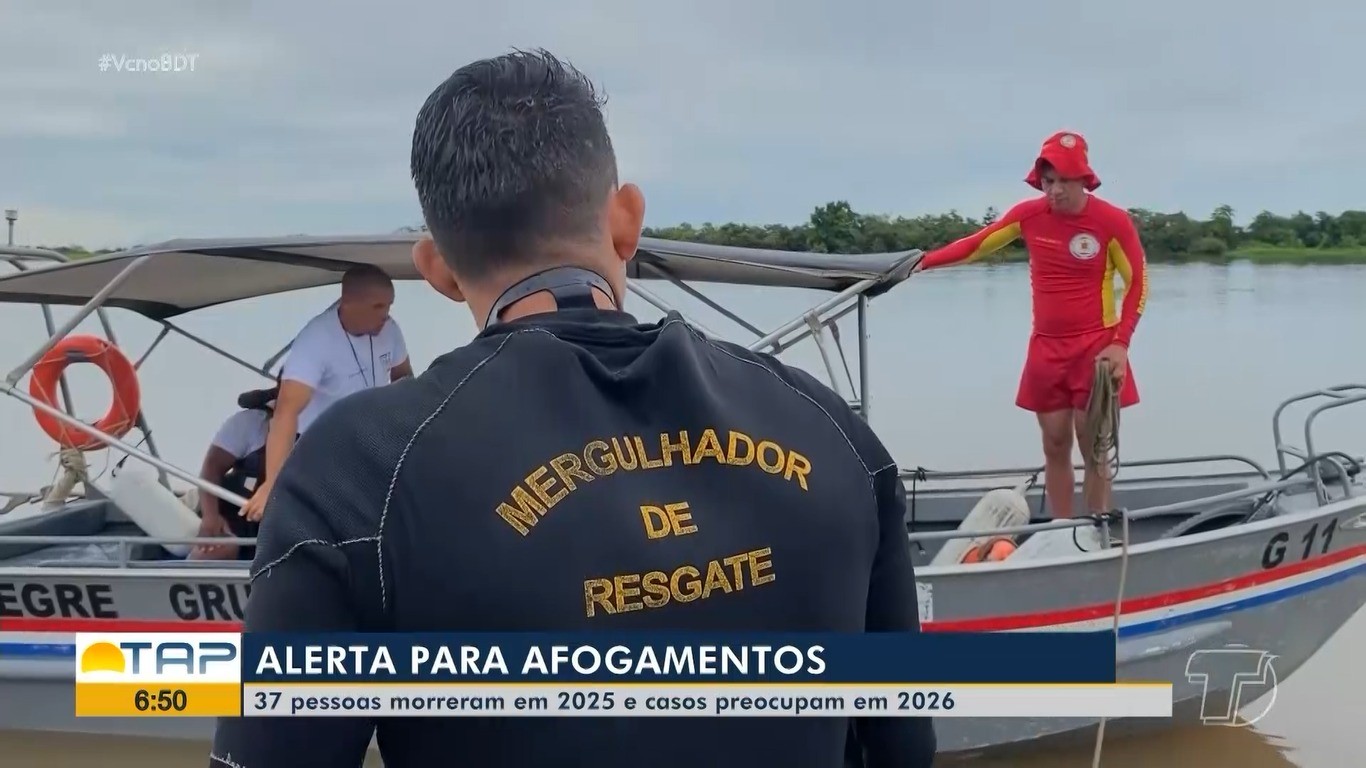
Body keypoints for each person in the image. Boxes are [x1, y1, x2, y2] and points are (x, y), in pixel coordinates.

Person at [208, 49, 935, 768]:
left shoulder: (357, 476)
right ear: (626, 221)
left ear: (436, 270)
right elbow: (901, 746)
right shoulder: (831, 430)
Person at [916, 130, 1149, 519]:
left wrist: (1121, 343)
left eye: (1063, 182)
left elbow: (1139, 282)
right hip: (1046, 348)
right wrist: (921, 262)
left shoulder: (1112, 222)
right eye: (1048, 182)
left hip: (1096, 349)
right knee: (1055, 444)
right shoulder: (1029, 216)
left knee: (1093, 445)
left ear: (1083, 179)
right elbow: (978, 244)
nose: (1054, 191)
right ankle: (1062, 530)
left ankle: (1095, 530)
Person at [237, 264, 413, 521]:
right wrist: (272, 485)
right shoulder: (317, 340)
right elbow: (286, 411)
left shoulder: (390, 330)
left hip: (368, 441)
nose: (386, 314)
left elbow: (405, 378)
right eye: (378, 306)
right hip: (317, 447)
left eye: (389, 305)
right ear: (349, 303)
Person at [189, 384, 278, 561]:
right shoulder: (250, 422)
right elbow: (211, 468)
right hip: (238, 518)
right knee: (219, 549)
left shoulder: (326, 431)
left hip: (293, 526)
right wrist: (211, 516)